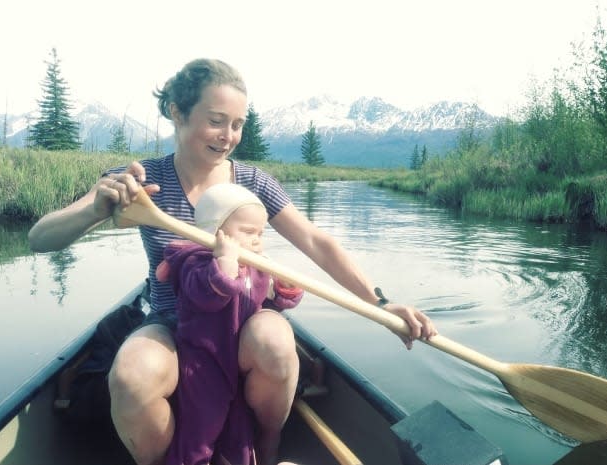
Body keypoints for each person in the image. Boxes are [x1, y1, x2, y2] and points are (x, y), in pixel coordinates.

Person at [28, 58, 437, 465]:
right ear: (177, 112)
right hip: (173, 323)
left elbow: (316, 241)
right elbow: (40, 237)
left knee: (276, 342)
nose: (228, 136)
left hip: (246, 321)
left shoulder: (254, 182)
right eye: (217, 120)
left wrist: (379, 304)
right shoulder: (140, 182)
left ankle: (268, 445)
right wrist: (95, 209)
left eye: (238, 124)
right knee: (131, 376)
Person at [158, 183, 303, 465]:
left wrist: (287, 288)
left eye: (260, 233)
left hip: (239, 359)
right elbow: (209, 297)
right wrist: (225, 263)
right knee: (201, 428)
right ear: (215, 232)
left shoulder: (258, 263)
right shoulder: (195, 263)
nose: (257, 241)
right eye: (248, 233)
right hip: (203, 363)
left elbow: (276, 300)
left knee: (239, 428)